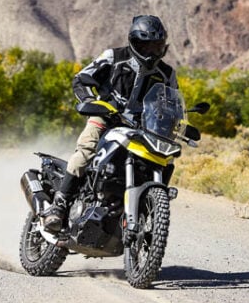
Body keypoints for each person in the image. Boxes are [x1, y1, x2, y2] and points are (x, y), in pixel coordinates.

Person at [41, 14, 178, 233]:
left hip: (142, 128)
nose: (151, 52)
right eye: (145, 45)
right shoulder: (114, 57)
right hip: (106, 117)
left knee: (165, 161)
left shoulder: (166, 73)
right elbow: (82, 78)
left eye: (156, 46)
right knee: (87, 148)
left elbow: (171, 102)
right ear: (134, 42)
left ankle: (144, 209)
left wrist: (177, 122)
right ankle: (59, 205)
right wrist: (91, 101)